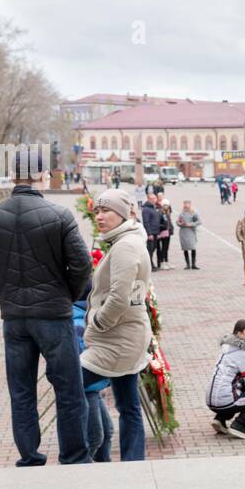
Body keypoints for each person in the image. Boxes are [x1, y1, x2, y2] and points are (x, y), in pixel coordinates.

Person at [0, 148, 91, 467]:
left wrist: (7, 294)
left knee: (21, 391)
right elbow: (81, 267)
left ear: (12, 176)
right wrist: (66, 295)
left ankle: (30, 455)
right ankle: (74, 455)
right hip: (54, 316)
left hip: (16, 320)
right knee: (68, 389)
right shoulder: (60, 216)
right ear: (42, 175)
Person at [82, 189, 151, 461]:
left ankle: (89, 452)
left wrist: (98, 322)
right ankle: (132, 462)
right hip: (126, 334)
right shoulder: (127, 241)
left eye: (106, 211)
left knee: (72, 385)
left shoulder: (125, 245)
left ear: (122, 214)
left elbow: (119, 296)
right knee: (128, 404)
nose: (99, 216)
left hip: (117, 337)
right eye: (97, 211)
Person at [73, 289, 113, 462]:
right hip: (86, 386)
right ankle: (82, 473)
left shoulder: (85, 317)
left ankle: (105, 469)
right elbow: (85, 355)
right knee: (94, 438)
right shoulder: (79, 322)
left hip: (93, 386)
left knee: (107, 432)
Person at [140, 192, 164, 271]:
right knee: (149, 250)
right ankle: (150, 266)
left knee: (153, 249)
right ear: (148, 199)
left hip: (156, 232)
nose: (154, 200)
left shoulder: (154, 207)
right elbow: (146, 222)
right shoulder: (146, 209)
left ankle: (151, 265)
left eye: (155, 198)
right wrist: (149, 234)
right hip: (151, 233)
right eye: (152, 198)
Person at [177, 200, 202, 270]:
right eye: (185, 204)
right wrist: (179, 223)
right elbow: (178, 221)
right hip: (183, 232)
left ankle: (193, 264)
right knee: (185, 248)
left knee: (193, 247)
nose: (186, 205)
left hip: (191, 231)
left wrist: (191, 224)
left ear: (190, 205)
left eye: (187, 204)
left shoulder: (194, 213)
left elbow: (199, 221)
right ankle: (187, 264)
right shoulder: (182, 213)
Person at [157, 199, 174, 269]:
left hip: (167, 233)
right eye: (164, 205)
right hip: (162, 232)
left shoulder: (167, 213)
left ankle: (166, 261)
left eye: (167, 205)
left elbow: (169, 222)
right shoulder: (160, 213)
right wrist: (165, 227)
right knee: (163, 248)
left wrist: (171, 229)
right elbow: (158, 223)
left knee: (166, 248)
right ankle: (162, 263)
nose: (166, 206)